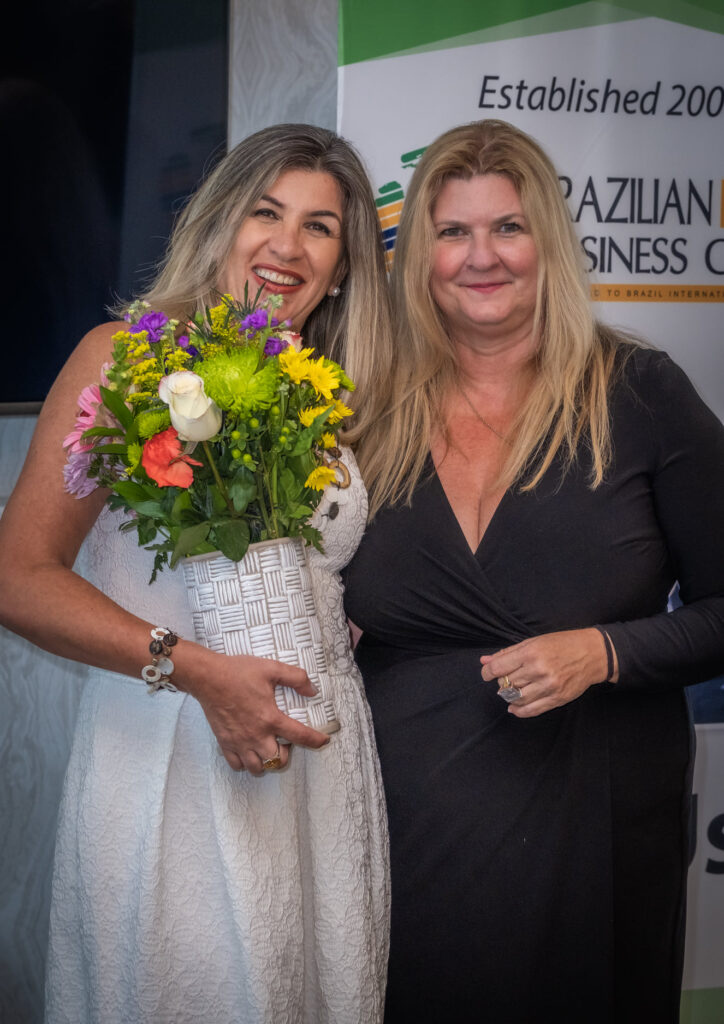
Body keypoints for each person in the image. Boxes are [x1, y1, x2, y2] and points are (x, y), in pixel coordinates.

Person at [0, 124, 391, 1024]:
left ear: (343, 266)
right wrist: (197, 670)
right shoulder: (126, 359)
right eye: (266, 213)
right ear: (220, 223)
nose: (288, 246)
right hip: (174, 757)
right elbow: (18, 575)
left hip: (322, 773)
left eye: (321, 227)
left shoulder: (332, 391)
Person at [342, 119, 724, 1023]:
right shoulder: (361, 408)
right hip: (399, 831)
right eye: (453, 231)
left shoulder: (640, 392)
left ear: (546, 240)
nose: (482, 257)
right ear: (418, 253)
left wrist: (606, 652)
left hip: (596, 830)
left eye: (507, 227)